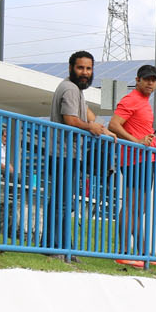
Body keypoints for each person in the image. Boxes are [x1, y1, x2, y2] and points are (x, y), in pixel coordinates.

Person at [46, 50, 116, 252]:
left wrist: (101, 127)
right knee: (62, 203)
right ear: (71, 68)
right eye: (80, 68)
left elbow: (87, 113)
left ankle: (58, 245)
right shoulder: (69, 89)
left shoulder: (77, 90)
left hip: (69, 153)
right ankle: (56, 246)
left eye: (88, 68)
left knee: (63, 201)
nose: (85, 72)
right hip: (63, 153)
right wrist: (90, 127)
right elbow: (70, 120)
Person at [109, 64, 156, 258]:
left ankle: (142, 252)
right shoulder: (131, 99)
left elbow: (144, 133)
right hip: (134, 160)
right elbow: (113, 125)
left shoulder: (144, 102)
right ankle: (125, 251)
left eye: (153, 79)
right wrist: (136, 142)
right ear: (137, 80)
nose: (150, 82)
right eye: (146, 79)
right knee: (131, 206)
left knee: (139, 208)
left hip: (146, 159)